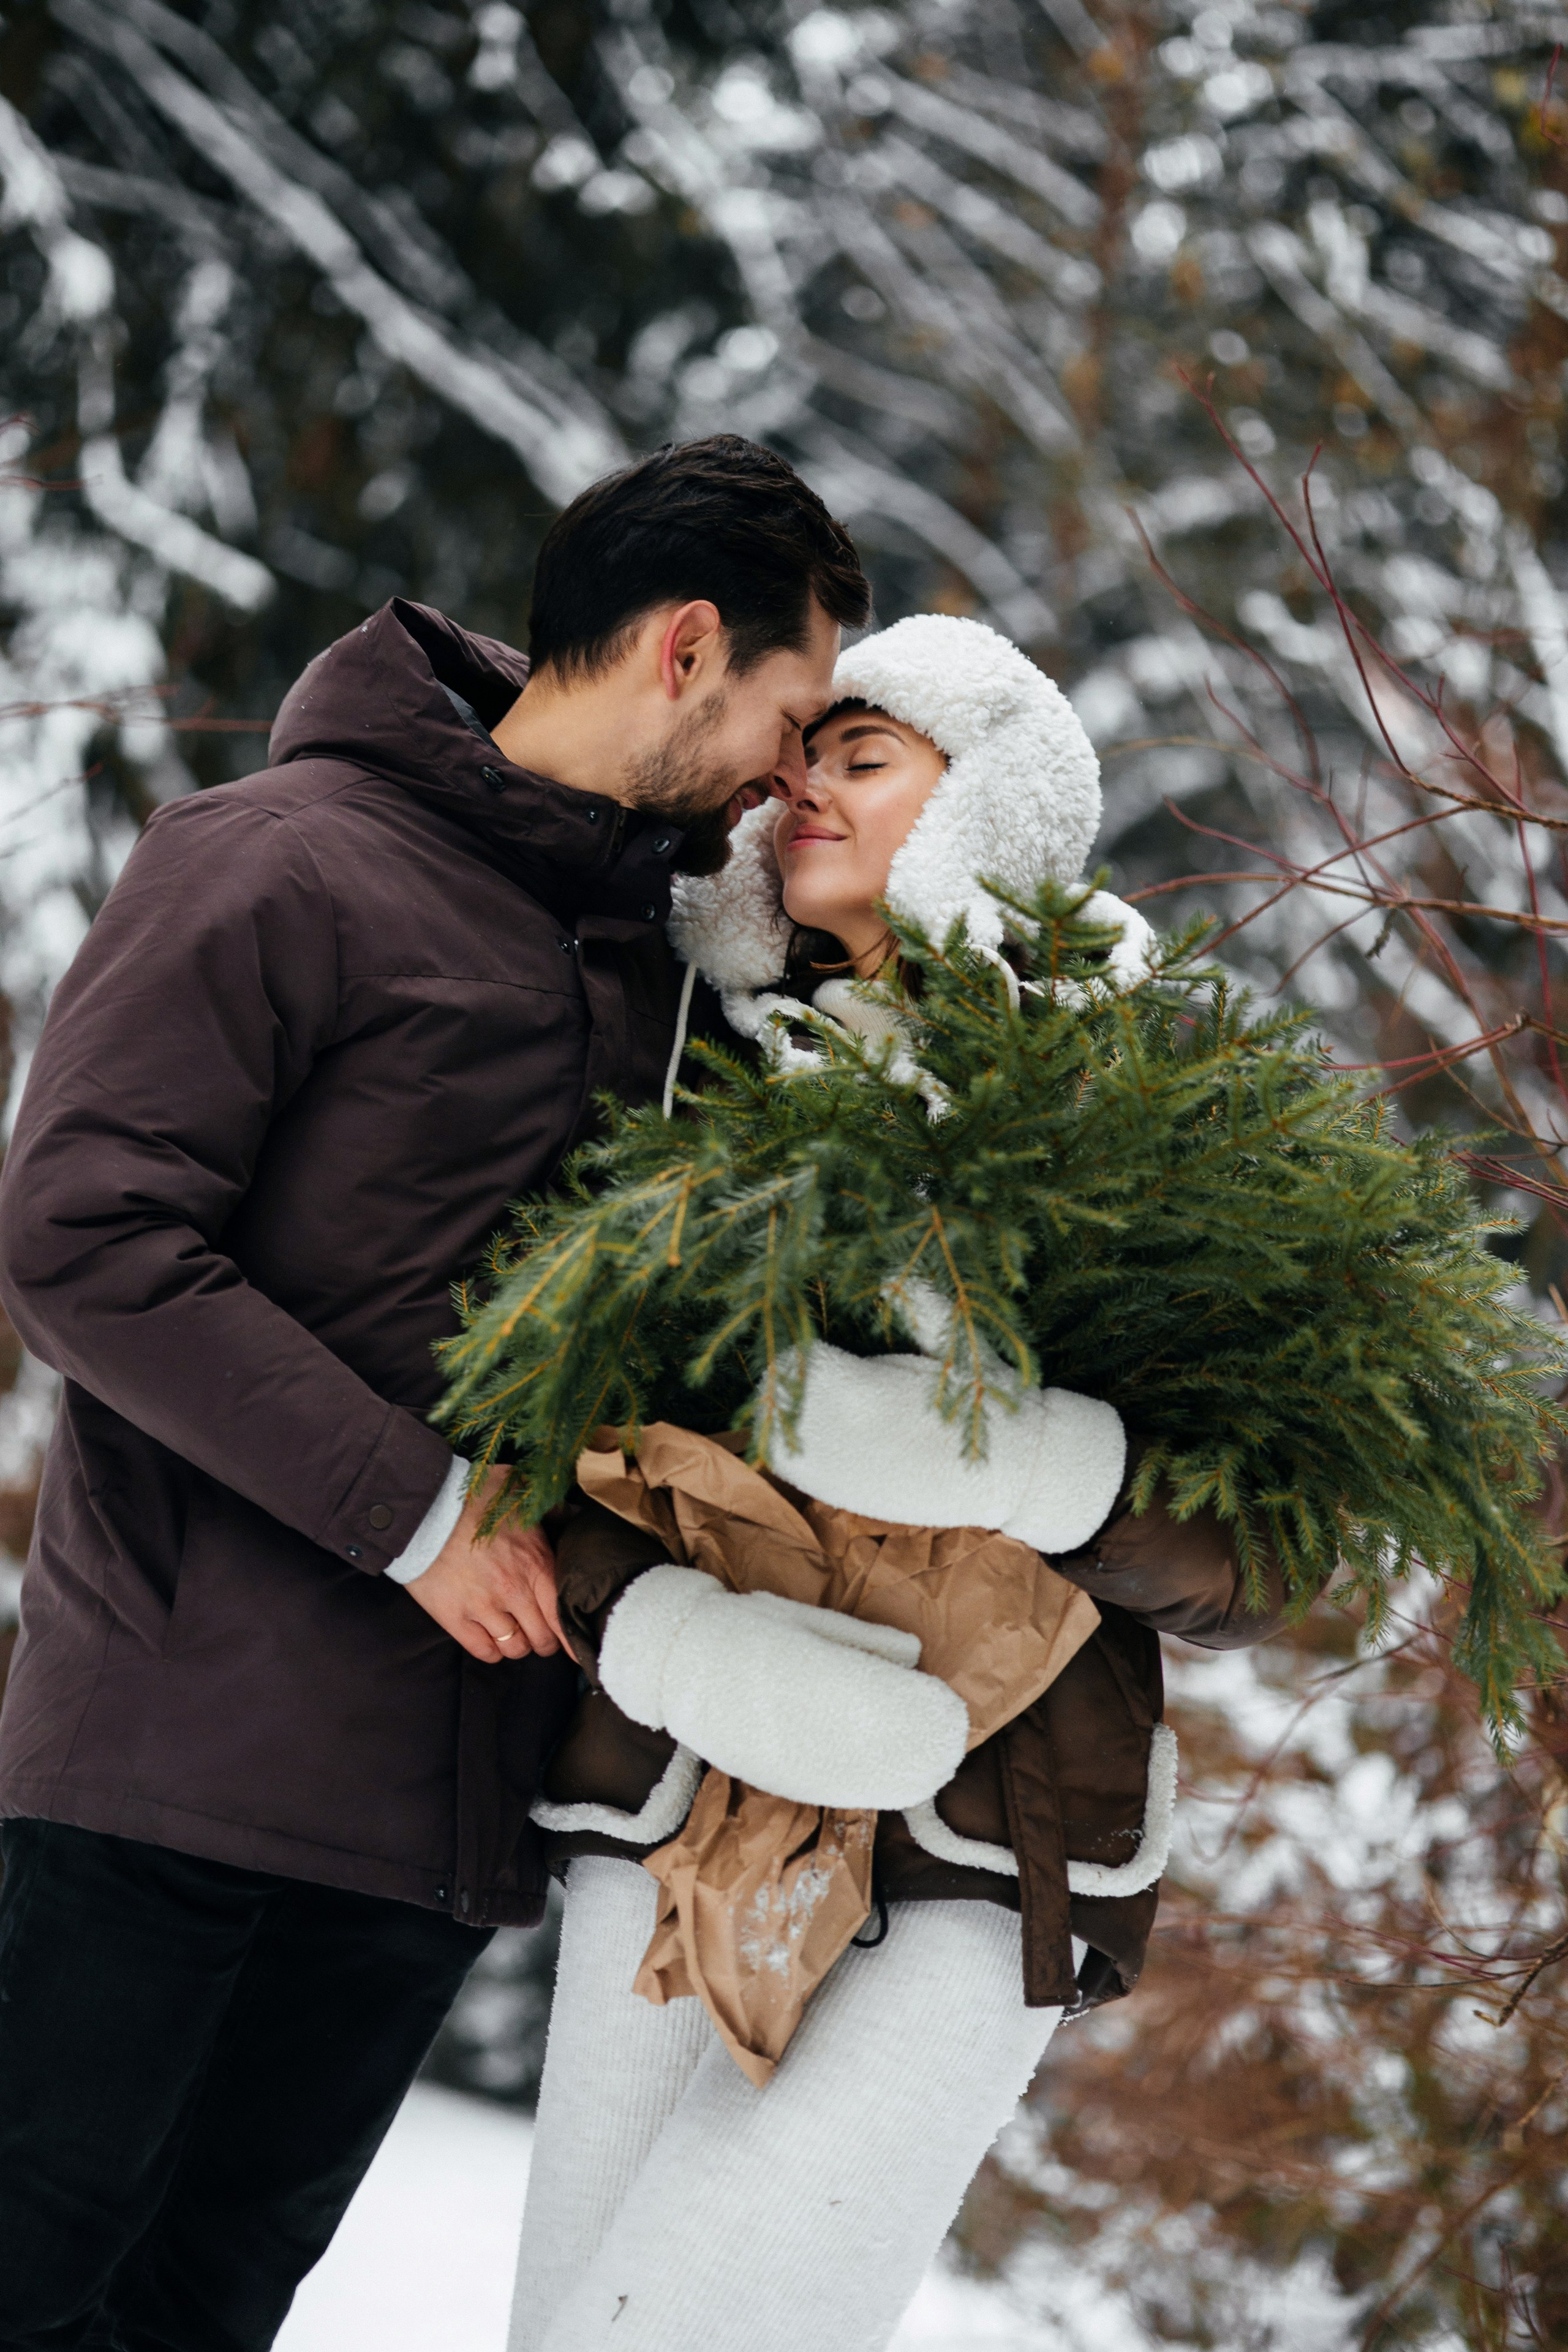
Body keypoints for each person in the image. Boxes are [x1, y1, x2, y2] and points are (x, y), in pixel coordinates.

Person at [0, 435, 870, 2351]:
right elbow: (87, 1241)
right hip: (171, 1773)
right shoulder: (274, 858)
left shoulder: (658, 980)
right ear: (688, 646)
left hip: (424, 1823)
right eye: (793, 719)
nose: (789, 781)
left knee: (203, 2316)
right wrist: (418, 1516)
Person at [507, 614, 1288, 2352]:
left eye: (864, 761)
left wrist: (1034, 1465)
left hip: (987, 1838)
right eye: (795, 767)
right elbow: (520, 1413)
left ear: (987, 805)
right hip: (674, 1798)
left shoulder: (1141, 1103)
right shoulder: (680, 1067)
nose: (805, 798)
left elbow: (1292, 1553)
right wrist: (658, 1627)